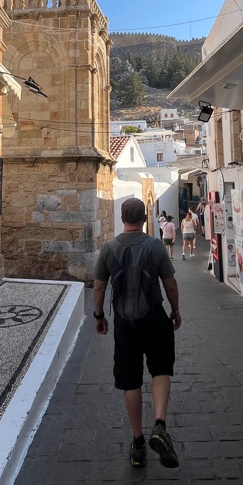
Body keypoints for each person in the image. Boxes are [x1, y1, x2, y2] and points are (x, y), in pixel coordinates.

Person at [93, 198, 181, 468]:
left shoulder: (109, 248)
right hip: (154, 318)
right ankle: (160, 424)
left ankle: (138, 441)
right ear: (144, 219)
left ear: (122, 219)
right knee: (161, 369)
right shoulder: (155, 246)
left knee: (130, 380)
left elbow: (99, 286)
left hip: (124, 322)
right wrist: (175, 311)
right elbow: (170, 284)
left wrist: (99, 316)